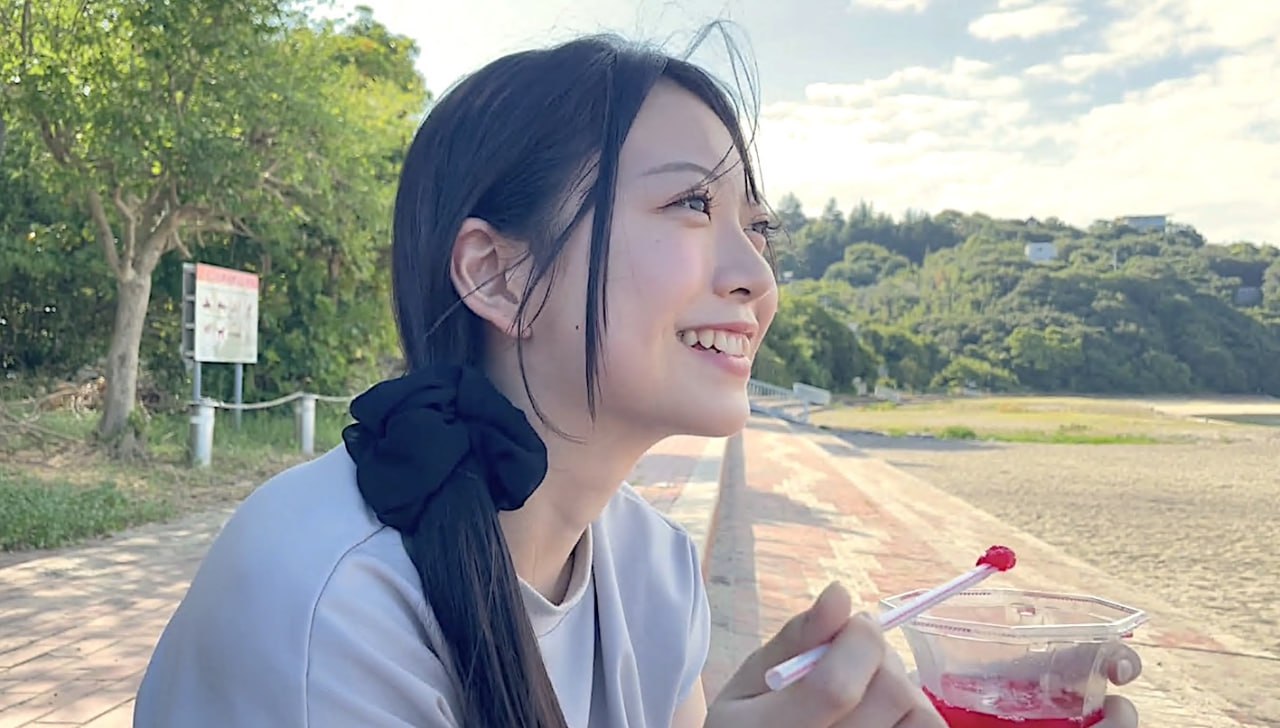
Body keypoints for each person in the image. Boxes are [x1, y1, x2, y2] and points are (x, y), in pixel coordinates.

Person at [133, 28, 1144, 728]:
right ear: (499, 273)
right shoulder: (327, 595)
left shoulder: (651, 570)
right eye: (691, 206)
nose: (756, 277)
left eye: (757, 225)